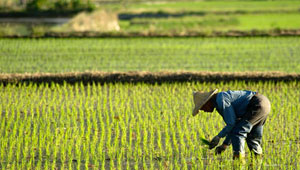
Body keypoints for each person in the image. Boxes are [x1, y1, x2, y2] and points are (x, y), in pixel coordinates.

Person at [192, 89, 271, 159]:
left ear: (207, 102)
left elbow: (231, 124)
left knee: (239, 132)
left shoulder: (221, 100)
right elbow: (233, 125)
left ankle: (239, 162)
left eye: (202, 108)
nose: (204, 111)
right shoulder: (220, 99)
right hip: (264, 103)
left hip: (256, 104)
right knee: (252, 138)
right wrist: (224, 145)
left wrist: (218, 136)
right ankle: (258, 161)